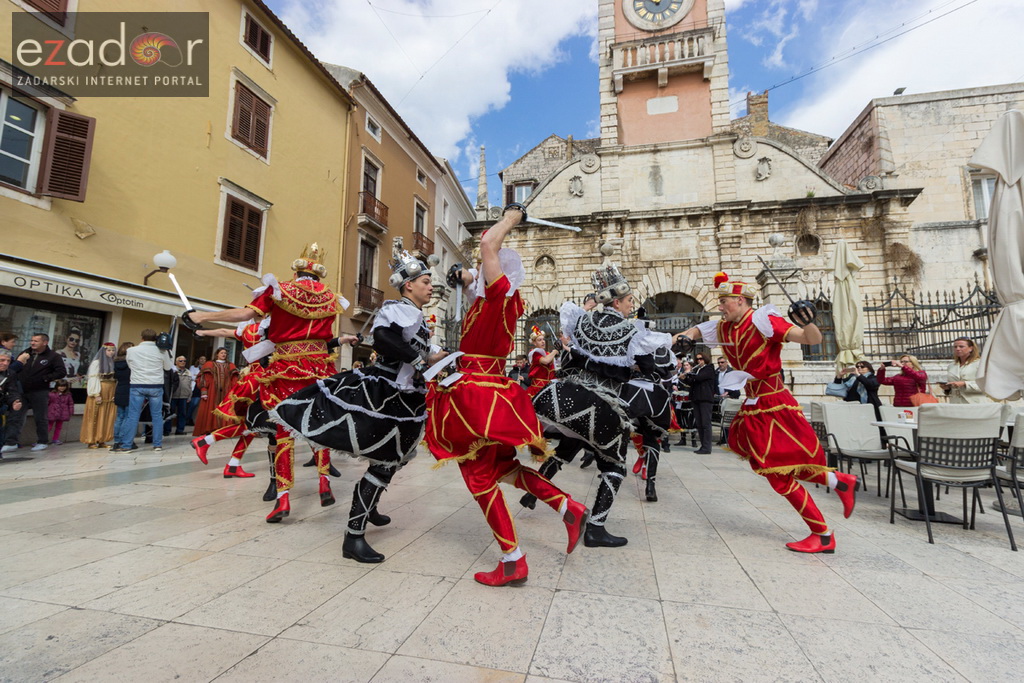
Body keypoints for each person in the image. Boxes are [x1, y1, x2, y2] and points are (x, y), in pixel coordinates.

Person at [426, 205, 589, 586]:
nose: (480, 271)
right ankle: (568, 507)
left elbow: (487, 242)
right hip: (489, 390)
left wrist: (512, 216)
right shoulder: (489, 302)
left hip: (478, 398)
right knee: (504, 469)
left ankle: (513, 559)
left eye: (485, 268)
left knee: (478, 476)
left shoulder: (499, 296)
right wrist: (464, 276)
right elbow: (470, 281)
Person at [273, 240, 436, 560]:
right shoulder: (396, 308)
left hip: (406, 396)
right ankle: (354, 536)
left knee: (391, 459)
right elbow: (384, 338)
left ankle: (369, 509)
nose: (431, 287)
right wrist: (418, 360)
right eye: (426, 282)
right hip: (385, 393)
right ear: (409, 285)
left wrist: (431, 360)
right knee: (385, 461)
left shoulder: (416, 314)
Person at [674, 273, 858, 554]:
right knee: (779, 464)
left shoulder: (763, 320)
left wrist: (808, 320)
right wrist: (685, 337)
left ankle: (822, 533)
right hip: (754, 402)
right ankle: (838, 483)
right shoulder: (723, 327)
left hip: (774, 402)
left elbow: (810, 339)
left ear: (740, 300)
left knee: (777, 470)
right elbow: (697, 330)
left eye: (724, 301)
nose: (720, 306)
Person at [188, 243, 348, 523]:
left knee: (282, 430)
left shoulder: (280, 290)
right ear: (318, 275)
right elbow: (326, 336)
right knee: (318, 426)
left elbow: (244, 315)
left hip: (286, 368)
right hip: (320, 368)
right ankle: (324, 483)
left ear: (296, 270)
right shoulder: (330, 297)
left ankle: (283, 499)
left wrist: (202, 316)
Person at [531, 263, 670, 548]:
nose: (633, 306)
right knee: (615, 466)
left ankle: (531, 491)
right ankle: (595, 528)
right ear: (617, 301)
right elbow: (650, 368)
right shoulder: (633, 333)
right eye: (630, 300)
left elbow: (574, 354)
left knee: (566, 448)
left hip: (561, 396)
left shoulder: (580, 320)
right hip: (601, 407)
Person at [2, 333, 67, 454]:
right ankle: (11, 442)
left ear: (45, 342)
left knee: (40, 417)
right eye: (32, 340)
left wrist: (45, 378)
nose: (32, 343)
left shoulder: (53, 356)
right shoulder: (25, 353)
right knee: (15, 416)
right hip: (21, 390)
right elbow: (15, 369)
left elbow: (61, 372)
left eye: (36, 341)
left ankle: (42, 441)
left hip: (39, 391)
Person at [118, 329, 173, 453]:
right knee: (157, 416)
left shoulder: (131, 350)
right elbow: (168, 368)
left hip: (137, 384)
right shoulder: (162, 351)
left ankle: (127, 445)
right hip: (156, 385)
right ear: (155, 338)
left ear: (141, 337)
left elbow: (130, 365)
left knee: (133, 416)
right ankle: (157, 444)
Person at [192, 348, 239, 436]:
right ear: (217, 354)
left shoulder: (230, 365)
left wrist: (234, 392)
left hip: (226, 391)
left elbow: (234, 379)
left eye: (225, 353)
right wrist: (204, 391)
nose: (224, 354)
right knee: (211, 409)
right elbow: (204, 378)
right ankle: (210, 429)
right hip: (212, 392)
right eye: (222, 353)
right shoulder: (209, 364)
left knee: (226, 409)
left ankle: (224, 430)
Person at [80, 343, 117, 448]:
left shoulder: (113, 363)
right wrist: (96, 393)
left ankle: (102, 439)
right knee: (95, 414)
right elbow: (93, 378)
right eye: (109, 350)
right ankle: (91, 440)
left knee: (106, 415)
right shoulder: (97, 363)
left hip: (110, 391)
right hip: (100, 390)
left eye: (113, 350)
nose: (111, 352)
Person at [684, 352, 717, 454]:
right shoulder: (697, 370)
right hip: (696, 399)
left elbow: (699, 378)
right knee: (699, 423)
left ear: (705, 359)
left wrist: (690, 373)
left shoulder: (709, 368)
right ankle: (703, 445)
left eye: (701, 359)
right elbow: (690, 382)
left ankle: (707, 447)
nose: (699, 361)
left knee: (706, 423)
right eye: (697, 359)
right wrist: (685, 377)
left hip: (705, 399)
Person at [941, 337, 991, 404]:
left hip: (975, 403)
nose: (957, 349)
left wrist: (965, 384)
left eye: (961, 346)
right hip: (956, 403)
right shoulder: (951, 366)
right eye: (955, 347)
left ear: (971, 348)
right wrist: (947, 388)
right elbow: (952, 386)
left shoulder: (980, 364)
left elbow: (986, 385)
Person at [110, 342, 135, 452]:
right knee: (128, 417)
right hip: (130, 390)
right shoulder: (131, 363)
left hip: (119, 390)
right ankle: (125, 440)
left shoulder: (115, 363)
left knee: (119, 417)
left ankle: (116, 441)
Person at [0, 349, 24, 454]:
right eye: (2, 360)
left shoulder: (10, 373)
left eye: (8, 361)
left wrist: (15, 401)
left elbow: (12, 390)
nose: (5, 363)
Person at [524, 327, 557, 398]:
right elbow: (546, 361)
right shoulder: (535, 353)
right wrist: (555, 351)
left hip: (548, 387)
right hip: (537, 388)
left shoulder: (547, 353)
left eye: (543, 339)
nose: (543, 341)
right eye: (539, 340)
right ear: (534, 343)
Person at [165, 355, 194, 436]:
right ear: (176, 362)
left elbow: (190, 385)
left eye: (184, 361)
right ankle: (167, 430)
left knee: (182, 414)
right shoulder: (172, 371)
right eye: (181, 361)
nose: (183, 362)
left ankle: (180, 430)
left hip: (184, 396)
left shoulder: (188, 372)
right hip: (173, 396)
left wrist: (189, 395)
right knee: (170, 413)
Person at [47, 379, 75, 445]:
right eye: (60, 386)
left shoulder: (68, 395)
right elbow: (47, 403)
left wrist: (71, 412)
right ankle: (42, 439)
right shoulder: (51, 394)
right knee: (49, 426)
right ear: (56, 386)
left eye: (64, 386)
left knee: (58, 427)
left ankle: (55, 439)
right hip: (52, 412)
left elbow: (70, 404)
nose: (62, 388)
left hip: (62, 413)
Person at [187, 355, 205, 425]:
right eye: (201, 359)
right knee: (193, 404)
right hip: (195, 387)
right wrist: (197, 378)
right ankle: (188, 418)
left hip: (202, 388)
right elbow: (191, 376)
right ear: (198, 360)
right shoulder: (193, 367)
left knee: (199, 406)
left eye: (204, 359)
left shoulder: (207, 368)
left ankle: (194, 419)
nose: (202, 360)